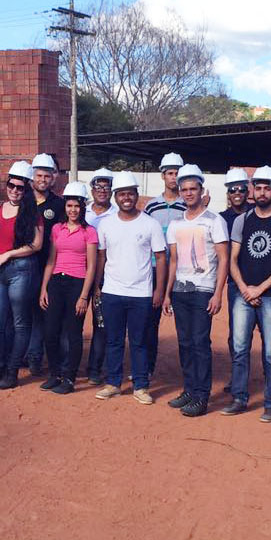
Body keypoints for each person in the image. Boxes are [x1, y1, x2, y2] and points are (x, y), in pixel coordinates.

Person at [225, 165, 271, 422]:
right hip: (244, 294)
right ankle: (239, 398)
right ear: (252, 190)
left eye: (268, 187)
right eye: (259, 187)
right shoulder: (243, 220)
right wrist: (245, 289)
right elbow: (232, 259)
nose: (263, 192)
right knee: (241, 348)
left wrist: (260, 289)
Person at [94, 171, 168, 405]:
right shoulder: (106, 224)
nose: (126, 198)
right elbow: (101, 257)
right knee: (114, 340)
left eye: (130, 193)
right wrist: (98, 286)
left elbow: (161, 258)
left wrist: (158, 290)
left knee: (139, 341)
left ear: (137, 195)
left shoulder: (150, 224)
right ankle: (113, 383)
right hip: (112, 292)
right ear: (115, 197)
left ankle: (141, 385)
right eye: (122, 194)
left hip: (141, 294)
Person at [162, 165, 229, 417]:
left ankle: (202, 396)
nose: (189, 193)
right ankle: (189, 389)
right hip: (180, 290)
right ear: (180, 192)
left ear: (202, 191)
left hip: (203, 290)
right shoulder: (176, 224)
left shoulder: (215, 221)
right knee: (185, 342)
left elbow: (223, 258)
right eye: (185, 189)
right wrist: (168, 293)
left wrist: (217, 293)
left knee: (200, 342)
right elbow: (174, 261)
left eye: (193, 189)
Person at [0, 161, 43, 390]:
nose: (15, 190)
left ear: (26, 190)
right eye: (11, 185)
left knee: (20, 323)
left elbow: (36, 244)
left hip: (21, 271)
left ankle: (12, 371)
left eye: (20, 187)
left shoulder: (32, 213)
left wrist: (9, 254)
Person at [38, 182, 98, 394]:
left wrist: (84, 296)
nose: (73, 210)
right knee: (50, 331)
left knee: (73, 332)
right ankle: (55, 373)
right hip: (56, 281)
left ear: (83, 208)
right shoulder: (56, 228)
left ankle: (69, 377)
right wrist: (44, 288)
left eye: (77, 206)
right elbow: (51, 260)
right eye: (69, 205)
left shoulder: (89, 232)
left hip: (77, 283)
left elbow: (91, 266)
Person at [142, 152, 187, 382]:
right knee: (150, 321)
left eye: (177, 173)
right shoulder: (151, 206)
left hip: (182, 273)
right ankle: (147, 369)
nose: (174, 177)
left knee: (185, 324)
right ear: (162, 175)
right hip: (154, 271)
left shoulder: (187, 205)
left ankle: (188, 374)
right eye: (170, 173)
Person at [25, 153, 66, 377]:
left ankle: (35, 357)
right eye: (39, 175)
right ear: (32, 176)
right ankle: (21, 353)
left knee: (42, 313)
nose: (42, 179)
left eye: (46, 176)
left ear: (53, 178)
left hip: (48, 266)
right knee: (21, 312)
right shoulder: (22, 199)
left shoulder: (58, 204)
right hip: (22, 264)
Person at [84, 168, 116, 384]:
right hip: (78, 273)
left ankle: (94, 369)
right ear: (92, 189)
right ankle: (68, 364)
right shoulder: (81, 211)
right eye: (98, 187)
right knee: (72, 323)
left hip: (104, 277)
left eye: (106, 187)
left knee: (101, 325)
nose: (102, 191)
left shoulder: (116, 215)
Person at [219, 167, 250, 374]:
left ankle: (269, 378)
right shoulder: (221, 218)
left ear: (247, 191)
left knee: (268, 336)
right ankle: (238, 377)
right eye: (232, 190)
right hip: (234, 281)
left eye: (240, 189)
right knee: (237, 334)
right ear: (228, 194)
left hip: (261, 279)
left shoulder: (258, 211)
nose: (237, 193)